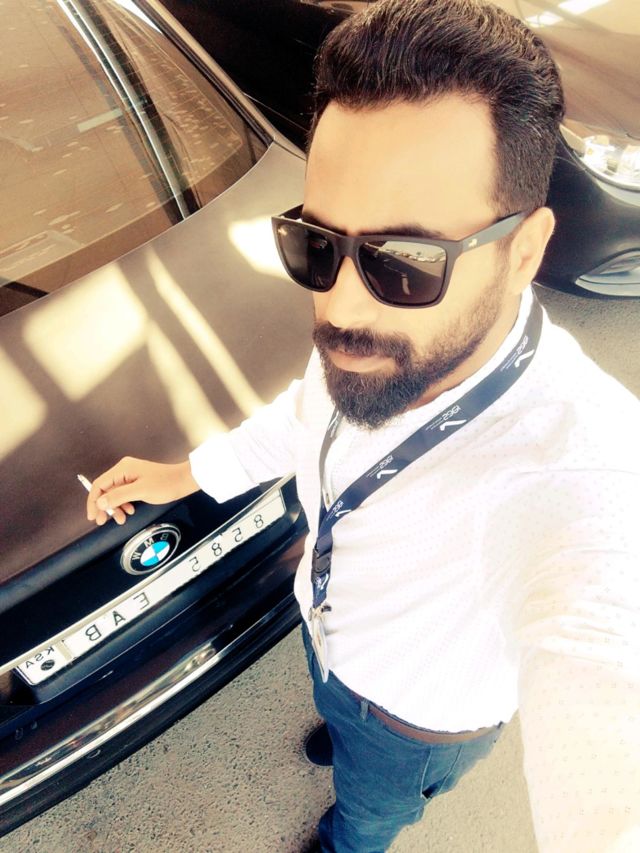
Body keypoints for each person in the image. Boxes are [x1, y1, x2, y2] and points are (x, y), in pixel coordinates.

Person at [86, 1, 640, 851]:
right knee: (342, 725)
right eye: (316, 243)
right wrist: (188, 472)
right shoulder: (382, 345)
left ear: (525, 252)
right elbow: (306, 413)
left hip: (415, 723)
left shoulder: (582, 471)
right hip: (331, 639)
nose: (339, 309)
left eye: (404, 261)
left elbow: (605, 686)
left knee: (371, 810)